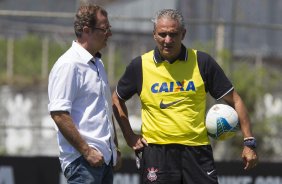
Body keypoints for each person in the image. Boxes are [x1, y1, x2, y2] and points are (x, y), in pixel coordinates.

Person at [112, 9, 258, 184]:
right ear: (154, 35)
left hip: (197, 152)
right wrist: (129, 135)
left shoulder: (202, 62)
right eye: (162, 34)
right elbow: (116, 99)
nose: (167, 40)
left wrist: (249, 142)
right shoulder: (140, 65)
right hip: (157, 152)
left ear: (183, 34)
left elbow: (235, 100)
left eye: (173, 34)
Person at [48, 4, 121, 184]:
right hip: (83, 162)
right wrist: (87, 151)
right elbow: (59, 114)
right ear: (87, 30)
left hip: (103, 160)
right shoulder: (69, 64)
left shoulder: (97, 63)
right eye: (105, 29)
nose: (109, 34)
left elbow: (105, 108)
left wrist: (114, 147)